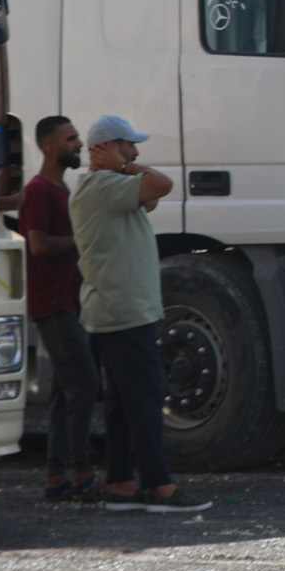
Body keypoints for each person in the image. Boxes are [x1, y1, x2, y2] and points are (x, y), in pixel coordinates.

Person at [70, 114, 211, 515]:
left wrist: (124, 167)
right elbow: (161, 185)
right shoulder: (105, 185)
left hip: (113, 309)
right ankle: (159, 486)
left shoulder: (103, 187)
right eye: (128, 145)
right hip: (125, 311)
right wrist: (126, 167)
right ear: (107, 147)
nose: (135, 152)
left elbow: (150, 198)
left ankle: (121, 483)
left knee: (121, 402)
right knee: (146, 399)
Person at [19, 115, 100, 501]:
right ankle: (81, 470)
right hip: (53, 304)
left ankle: (57, 476)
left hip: (68, 300)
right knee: (85, 384)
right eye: (71, 139)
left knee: (64, 391)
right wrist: (79, 239)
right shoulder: (39, 191)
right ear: (50, 147)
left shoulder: (60, 189)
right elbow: (38, 245)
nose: (79, 144)